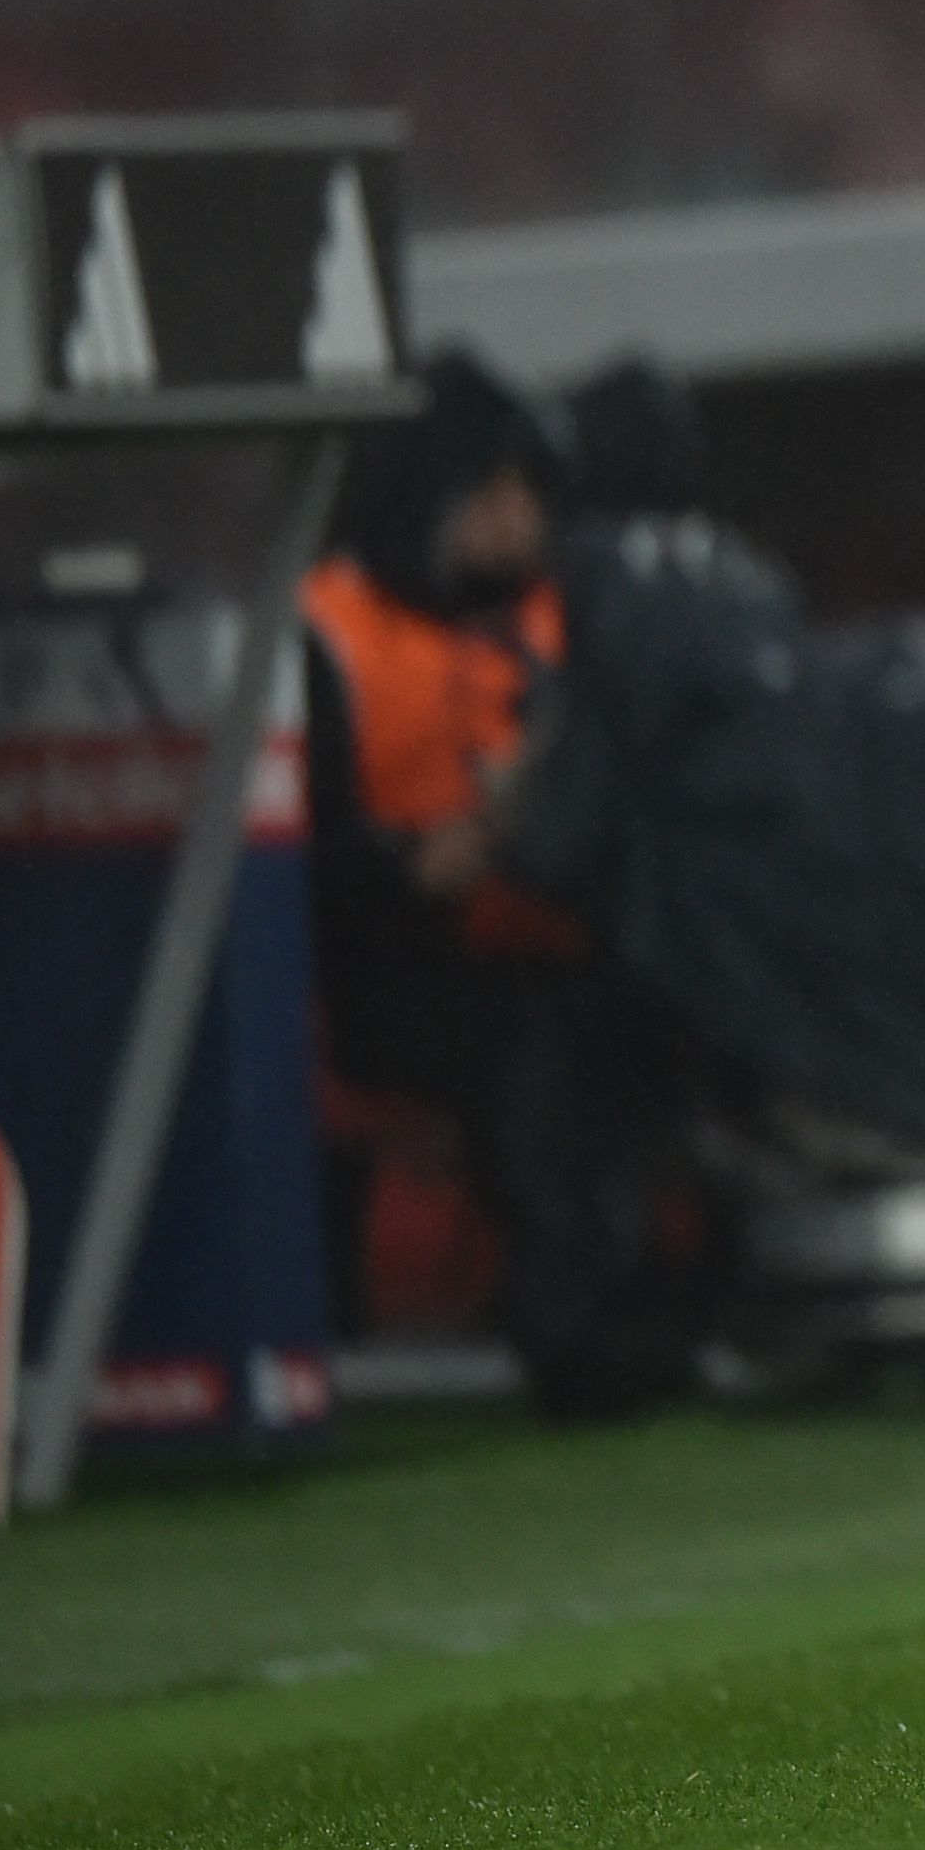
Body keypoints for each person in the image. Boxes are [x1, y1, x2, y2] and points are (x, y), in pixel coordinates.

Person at [300, 351, 695, 1415]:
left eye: (531, 493)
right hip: (387, 973)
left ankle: (702, 1299)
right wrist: (426, 860)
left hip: (564, 944)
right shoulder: (328, 636)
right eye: (492, 493)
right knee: (537, 1054)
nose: (518, 522)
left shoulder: (568, 617)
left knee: (670, 1006)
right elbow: (293, 861)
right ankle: (579, 1344)